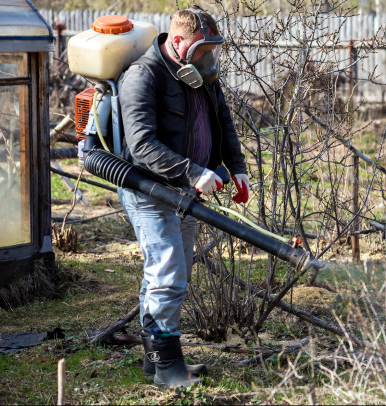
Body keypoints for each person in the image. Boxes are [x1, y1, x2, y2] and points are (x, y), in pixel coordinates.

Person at [117, 6, 250, 388]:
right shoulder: (144, 76)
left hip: (187, 190)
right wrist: (194, 171)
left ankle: (153, 359)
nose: (210, 57)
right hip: (151, 190)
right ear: (178, 42)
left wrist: (235, 166)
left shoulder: (202, 73)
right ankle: (168, 370)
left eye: (213, 48)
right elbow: (141, 145)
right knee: (168, 273)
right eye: (203, 48)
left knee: (175, 272)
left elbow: (222, 118)